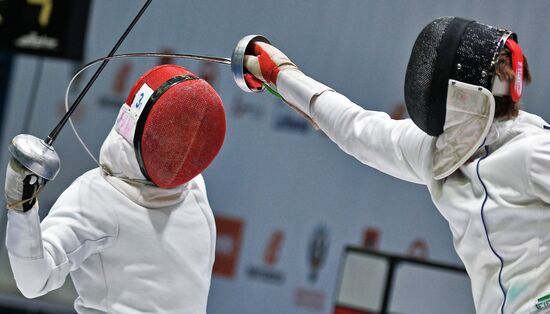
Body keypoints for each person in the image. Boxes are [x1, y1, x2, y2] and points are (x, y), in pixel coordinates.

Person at [244, 17, 549, 313]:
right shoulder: (443, 151)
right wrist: (281, 74)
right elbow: (357, 130)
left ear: (465, 95)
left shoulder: (533, 151)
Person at [4, 64, 226, 313]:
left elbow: (33, 280)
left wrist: (20, 206)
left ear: (127, 121)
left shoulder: (99, 196)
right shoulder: (195, 186)